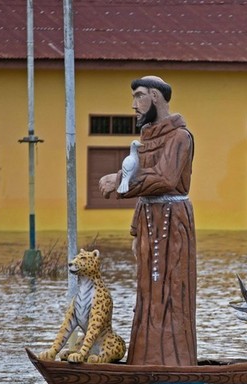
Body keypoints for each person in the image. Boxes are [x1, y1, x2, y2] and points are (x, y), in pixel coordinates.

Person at [99, 75, 197, 367]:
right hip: (149, 223)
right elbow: (146, 196)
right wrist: (134, 231)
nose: (134, 105)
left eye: (139, 96)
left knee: (170, 292)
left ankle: (174, 363)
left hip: (172, 225)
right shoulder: (148, 138)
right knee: (147, 294)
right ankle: (143, 359)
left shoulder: (180, 137)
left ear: (155, 97)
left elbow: (165, 178)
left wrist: (119, 181)